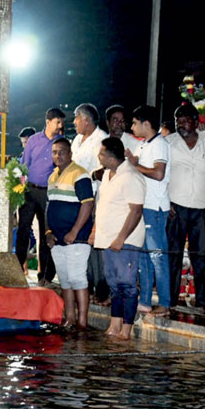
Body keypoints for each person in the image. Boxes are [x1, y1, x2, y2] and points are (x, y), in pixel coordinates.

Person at [93, 138, 146, 340]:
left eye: (102, 154)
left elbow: (136, 211)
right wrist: (96, 231)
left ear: (112, 157)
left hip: (126, 240)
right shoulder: (107, 175)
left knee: (127, 285)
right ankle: (114, 325)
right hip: (107, 238)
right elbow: (103, 205)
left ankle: (127, 329)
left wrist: (121, 238)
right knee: (114, 284)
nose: (99, 157)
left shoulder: (131, 176)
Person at [165, 104, 205, 312]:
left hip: (203, 207)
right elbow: (161, 174)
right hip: (175, 206)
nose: (181, 125)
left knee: (203, 255)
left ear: (196, 122)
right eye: (178, 121)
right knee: (173, 255)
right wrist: (165, 201)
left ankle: (204, 302)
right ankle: (170, 300)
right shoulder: (168, 143)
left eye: (185, 121)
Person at [127, 105, 171, 317]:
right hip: (144, 206)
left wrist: (134, 166)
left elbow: (159, 173)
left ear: (146, 124)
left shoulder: (160, 144)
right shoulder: (143, 144)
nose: (132, 126)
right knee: (144, 257)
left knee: (157, 256)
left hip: (155, 207)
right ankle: (145, 301)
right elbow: (134, 165)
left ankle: (164, 302)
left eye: (135, 122)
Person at [46, 138, 94, 328]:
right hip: (57, 239)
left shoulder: (80, 174)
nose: (58, 156)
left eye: (62, 152)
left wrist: (74, 231)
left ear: (70, 153)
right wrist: (48, 231)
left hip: (77, 237)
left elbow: (88, 204)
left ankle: (82, 320)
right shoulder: (52, 176)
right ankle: (70, 318)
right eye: (55, 152)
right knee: (65, 279)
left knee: (77, 278)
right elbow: (49, 206)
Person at [17, 108, 65, 284]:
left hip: (49, 193)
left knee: (47, 233)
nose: (60, 126)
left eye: (62, 123)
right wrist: (20, 189)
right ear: (48, 121)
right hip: (29, 190)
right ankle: (17, 269)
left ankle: (44, 275)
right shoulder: (34, 140)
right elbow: (23, 165)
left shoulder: (61, 143)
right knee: (23, 230)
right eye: (57, 122)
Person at [70, 103, 110, 180]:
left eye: (76, 118)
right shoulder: (78, 138)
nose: (74, 122)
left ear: (86, 120)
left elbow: (105, 171)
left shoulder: (102, 140)